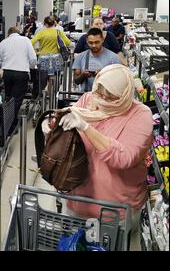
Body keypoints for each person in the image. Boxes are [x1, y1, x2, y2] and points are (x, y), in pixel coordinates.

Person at [45, 64, 153, 231]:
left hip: (114, 212)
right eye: (99, 92)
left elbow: (123, 158)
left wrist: (86, 128)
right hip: (77, 201)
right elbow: (69, 135)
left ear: (123, 94)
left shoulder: (140, 115)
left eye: (109, 96)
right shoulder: (89, 99)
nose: (101, 99)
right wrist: (54, 129)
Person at [0, 26, 37, 131]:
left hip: (7, 73)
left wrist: (4, 64)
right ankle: (10, 125)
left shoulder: (3, 42)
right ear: (19, 33)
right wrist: (31, 67)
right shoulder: (26, 40)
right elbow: (33, 59)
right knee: (17, 100)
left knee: (8, 98)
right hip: (21, 74)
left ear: (9, 34)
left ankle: (9, 122)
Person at [73, 28, 122, 92]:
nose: (94, 45)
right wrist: (83, 75)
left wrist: (103, 75)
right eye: (91, 43)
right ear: (87, 41)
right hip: (86, 97)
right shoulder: (80, 57)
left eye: (97, 42)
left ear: (102, 40)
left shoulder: (114, 58)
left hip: (106, 98)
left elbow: (119, 82)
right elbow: (76, 81)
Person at [30, 16, 71, 91]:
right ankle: (52, 94)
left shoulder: (41, 32)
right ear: (54, 23)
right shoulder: (58, 32)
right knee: (54, 79)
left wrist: (36, 52)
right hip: (56, 58)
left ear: (45, 24)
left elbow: (31, 43)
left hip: (43, 58)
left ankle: (43, 96)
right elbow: (68, 43)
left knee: (42, 81)